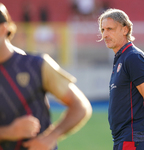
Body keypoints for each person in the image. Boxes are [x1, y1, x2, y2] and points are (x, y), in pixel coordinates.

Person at [0, 3, 92, 150]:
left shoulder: (37, 65)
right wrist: (8, 132)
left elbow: (80, 106)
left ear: (3, 28)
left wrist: (51, 137)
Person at [98, 8, 144, 150]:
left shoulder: (133, 57)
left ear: (125, 29)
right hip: (124, 138)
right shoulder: (122, 58)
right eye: (103, 30)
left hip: (133, 138)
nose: (105, 34)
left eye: (110, 29)